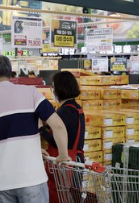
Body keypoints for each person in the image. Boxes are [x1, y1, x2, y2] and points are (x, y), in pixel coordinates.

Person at [0, 55, 69, 203]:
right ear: (9, 73)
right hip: (31, 178)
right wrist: (63, 155)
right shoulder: (30, 93)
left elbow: (0, 140)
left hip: (1, 182)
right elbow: (58, 126)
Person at [40, 71, 86, 203]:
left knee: (61, 196)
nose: (52, 90)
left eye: (53, 87)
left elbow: (56, 141)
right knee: (73, 197)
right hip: (77, 160)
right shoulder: (77, 108)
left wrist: (41, 130)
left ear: (60, 88)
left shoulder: (64, 111)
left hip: (65, 163)